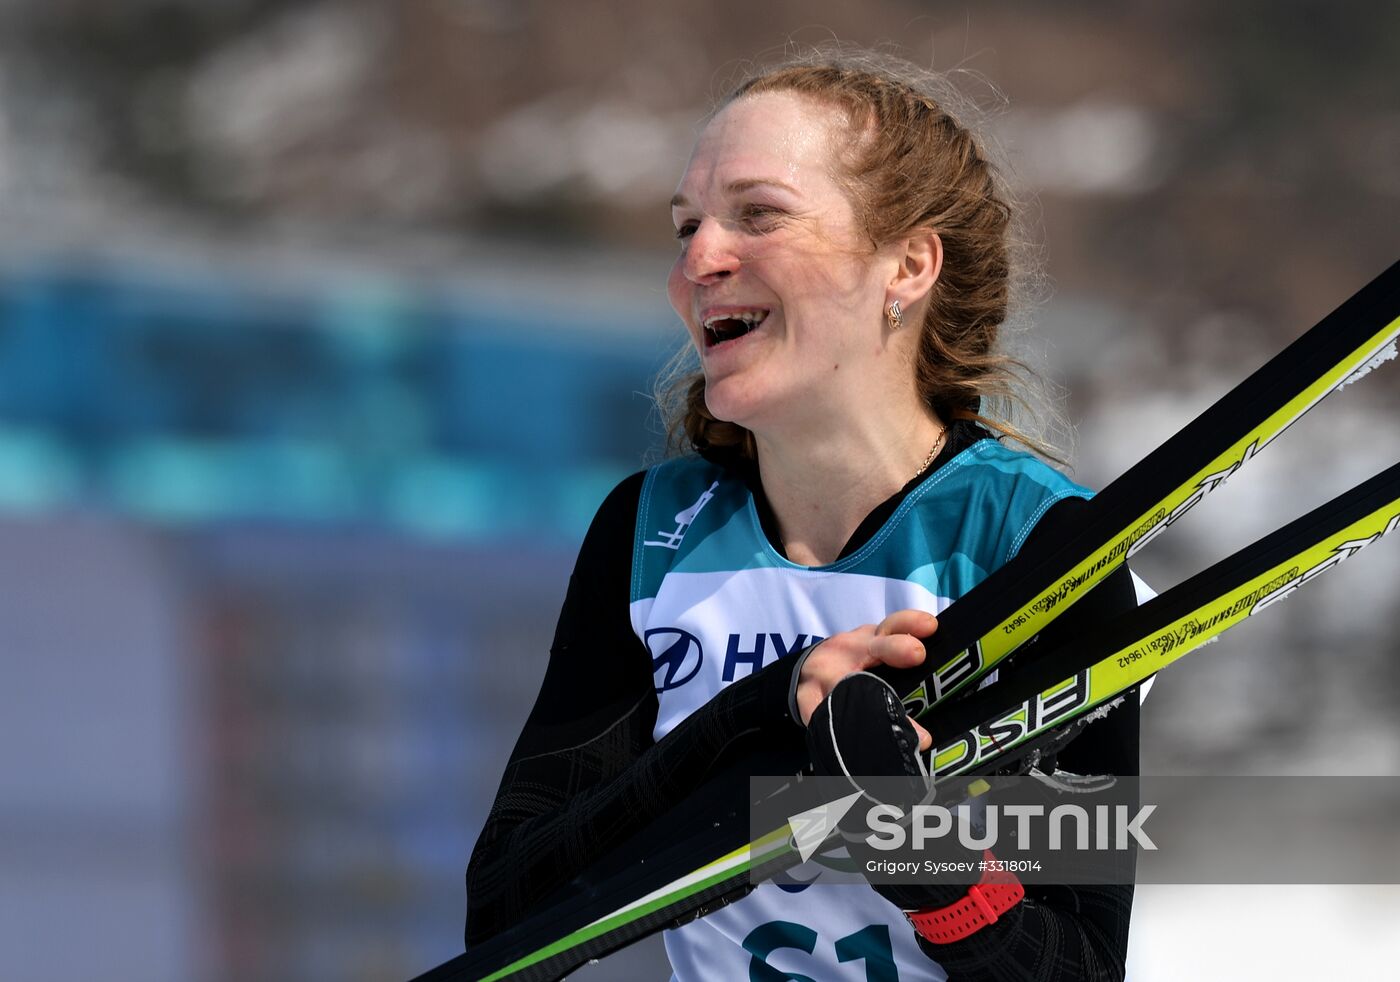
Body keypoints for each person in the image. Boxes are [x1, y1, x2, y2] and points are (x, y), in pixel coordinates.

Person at [466, 49, 1143, 980]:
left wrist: (918, 848)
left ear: (908, 263)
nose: (699, 259)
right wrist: (763, 717)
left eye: (759, 215)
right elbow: (508, 909)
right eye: (687, 225)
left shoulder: (1034, 544)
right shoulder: (654, 531)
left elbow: (1080, 966)